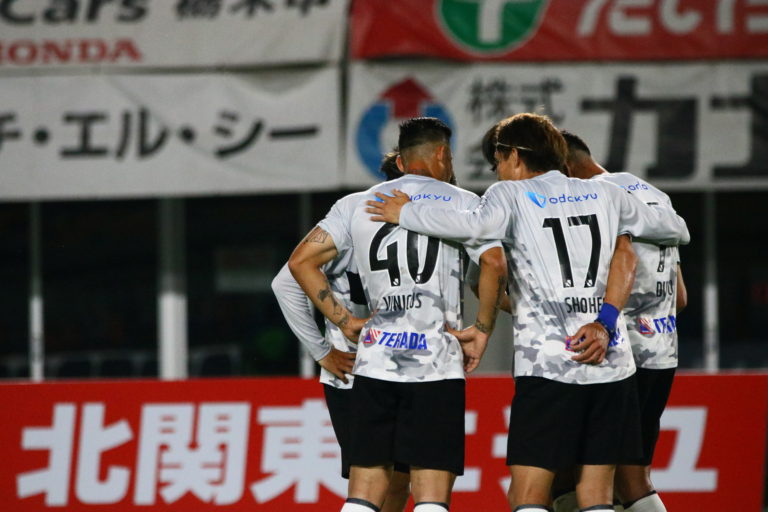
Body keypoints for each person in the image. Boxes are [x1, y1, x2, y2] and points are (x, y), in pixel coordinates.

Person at [366, 113, 690, 512]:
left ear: (514, 155)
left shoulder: (508, 195)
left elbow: (471, 226)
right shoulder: (606, 194)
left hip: (549, 365)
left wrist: (405, 213)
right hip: (610, 361)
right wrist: (605, 322)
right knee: (598, 495)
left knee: (527, 493)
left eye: (498, 162)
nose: (498, 172)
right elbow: (667, 234)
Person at [289, 117, 508, 512]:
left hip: (374, 362)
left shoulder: (355, 204)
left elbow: (300, 262)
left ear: (402, 160)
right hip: (436, 364)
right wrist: (482, 329)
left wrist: (344, 320)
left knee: (364, 494)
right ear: (442, 154)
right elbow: (493, 263)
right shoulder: (465, 203)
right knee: (430, 496)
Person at [555, 130, 688, 512]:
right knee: (629, 477)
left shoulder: (597, 199)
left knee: (595, 477)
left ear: (565, 168)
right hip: (661, 353)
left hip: (616, 357)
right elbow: (680, 297)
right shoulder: (656, 197)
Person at [271, 150, 409, 512]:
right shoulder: (356, 212)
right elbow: (286, 283)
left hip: (383, 369)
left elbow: (285, 283)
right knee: (380, 479)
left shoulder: (354, 213)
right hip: (368, 370)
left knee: (394, 480)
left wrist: (322, 350)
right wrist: (322, 350)